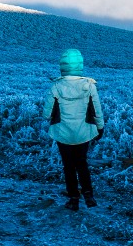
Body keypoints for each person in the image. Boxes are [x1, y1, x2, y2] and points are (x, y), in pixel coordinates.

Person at [42, 48, 105, 210]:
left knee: (68, 166)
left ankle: (73, 199)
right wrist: (100, 127)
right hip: (83, 132)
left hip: (63, 133)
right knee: (82, 163)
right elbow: (97, 109)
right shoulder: (89, 85)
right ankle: (88, 194)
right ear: (80, 65)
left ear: (62, 65)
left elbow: (46, 115)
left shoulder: (55, 86)